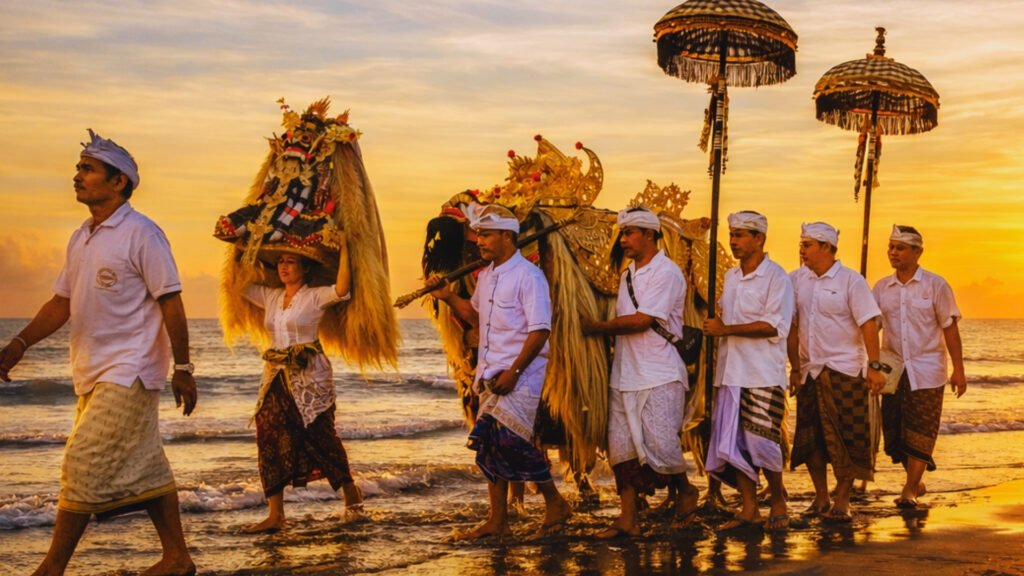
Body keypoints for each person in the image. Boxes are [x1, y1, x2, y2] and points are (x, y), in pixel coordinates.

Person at [0, 130, 197, 576]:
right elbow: (61, 303)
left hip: (131, 368)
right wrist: (19, 344)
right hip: (91, 370)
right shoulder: (81, 236)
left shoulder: (143, 233)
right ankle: (177, 558)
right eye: (78, 168)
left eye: (87, 169)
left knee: (82, 461)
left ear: (118, 181)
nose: (77, 176)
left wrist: (183, 368)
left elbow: (171, 300)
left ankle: (52, 567)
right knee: (146, 464)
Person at [429, 202, 571, 540]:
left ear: (508, 237)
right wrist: (447, 297)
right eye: (479, 234)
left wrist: (515, 372)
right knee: (490, 446)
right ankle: (498, 520)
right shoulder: (488, 276)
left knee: (511, 441)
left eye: (486, 235)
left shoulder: (529, 277)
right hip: (488, 373)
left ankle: (555, 502)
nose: (479, 241)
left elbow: (540, 331)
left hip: (520, 376)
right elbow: (474, 315)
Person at [582, 206, 700, 539]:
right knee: (622, 449)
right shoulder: (627, 276)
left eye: (630, 232)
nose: (623, 240)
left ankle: (686, 490)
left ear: (650, 234)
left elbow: (643, 320)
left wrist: (597, 327)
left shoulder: (667, 273)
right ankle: (628, 518)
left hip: (659, 372)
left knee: (662, 445)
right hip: (625, 373)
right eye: (622, 233)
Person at [240, 241, 363, 533]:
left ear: (305, 268)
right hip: (275, 375)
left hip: (310, 376)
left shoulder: (314, 296)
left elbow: (342, 289)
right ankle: (276, 515)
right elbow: (240, 285)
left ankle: (352, 495)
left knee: (321, 437)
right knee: (268, 434)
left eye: (291, 261)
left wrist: (346, 247)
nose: (283, 267)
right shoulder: (270, 296)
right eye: (280, 261)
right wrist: (242, 244)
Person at [788, 222, 885, 522]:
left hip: (845, 369)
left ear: (826, 247)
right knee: (810, 438)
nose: (802, 250)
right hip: (810, 370)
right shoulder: (796, 280)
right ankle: (821, 496)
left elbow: (869, 324)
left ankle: (843, 498)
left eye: (807, 245)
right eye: (801, 244)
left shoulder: (851, 281)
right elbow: (792, 327)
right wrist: (794, 368)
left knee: (849, 437)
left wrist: (874, 367)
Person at [703, 211, 794, 531]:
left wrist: (726, 329)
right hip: (730, 372)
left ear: (759, 239)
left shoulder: (776, 278)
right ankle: (749, 508)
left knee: (763, 442)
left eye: (740, 235)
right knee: (735, 442)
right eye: (732, 235)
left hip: (762, 374)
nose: (733, 241)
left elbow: (774, 326)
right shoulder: (730, 277)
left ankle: (778, 502)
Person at [873, 224, 966, 508]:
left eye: (900, 248)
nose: (893, 252)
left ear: (917, 252)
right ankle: (916, 480)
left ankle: (910, 488)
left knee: (922, 429)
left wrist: (959, 370)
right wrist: (868, 364)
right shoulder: (881, 288)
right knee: (895, 430)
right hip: (892, 370)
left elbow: (949, 328)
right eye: (891, 247)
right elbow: (871, 328)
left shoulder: (936, 285)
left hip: (927, 369)